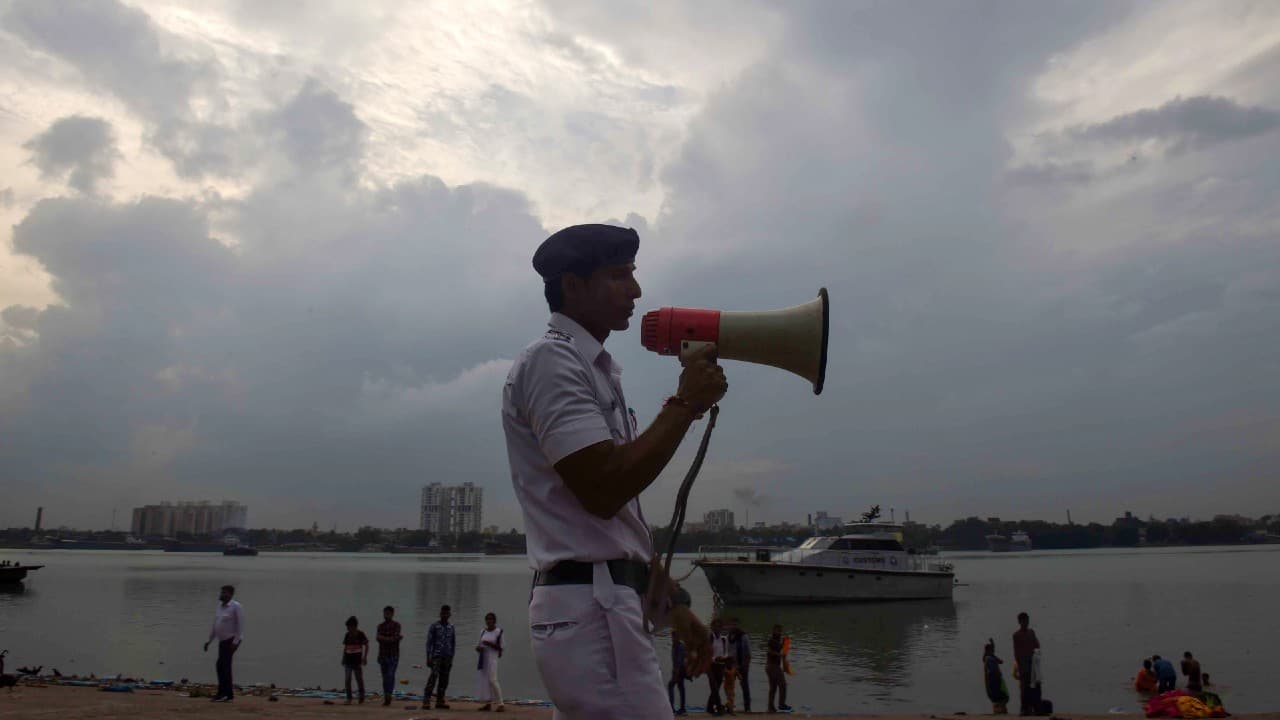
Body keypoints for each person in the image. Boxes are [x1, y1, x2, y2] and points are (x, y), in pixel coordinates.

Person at [501, 223, 728, 719]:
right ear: (573, 286)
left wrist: (672, 602)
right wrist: (686, 401)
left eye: (633, 274)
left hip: (600, 606)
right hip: (592, 611)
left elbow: (617, 522)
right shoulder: (551, 362)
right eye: (618, 276)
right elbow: (603, 489)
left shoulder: (594, 368)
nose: (636, 290)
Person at [203, 584, 243, 703]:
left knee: (224, 666)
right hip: (222, 641)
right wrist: (209, 641)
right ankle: (224, 693)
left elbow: (240, 626)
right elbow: (216, 625)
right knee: (220, 666)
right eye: (221, 592)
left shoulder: (236, 607)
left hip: (231, 641)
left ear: (231, 594)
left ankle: (226, 694)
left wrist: (235, 642)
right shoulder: (220, 607)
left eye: (224, 593)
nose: (222, 595)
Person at [424, 604, 456, 710]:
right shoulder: (434, 626)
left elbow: (453, 643)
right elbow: (429, 643)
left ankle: (440, 701)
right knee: (433, 677)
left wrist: (452, 657)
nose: (445, 615)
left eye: (447, 613)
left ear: (449, 614)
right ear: (440, 614)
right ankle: (426, 700)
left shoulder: (451, 627)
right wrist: (428, 657)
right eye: (443, 613)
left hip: (447, 657)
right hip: (436, 656)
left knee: (444, 680)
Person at [475, 612, 505, 712]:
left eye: (491, 619)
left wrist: (490, 644)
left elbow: (501, 647)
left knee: (493, 680)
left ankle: (501, 703)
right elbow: (478, 645)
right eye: (487, 619)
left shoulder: (499, 632)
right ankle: (488, 703)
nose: (489, 621)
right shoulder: (483, 631)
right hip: (483, 659)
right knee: (485, 681)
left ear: (494, 620)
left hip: (492, 659)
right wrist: (478, 648)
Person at [1012, 612, 1040, 715]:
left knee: (1036, 687)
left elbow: (1037, 645)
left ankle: (1037, 708)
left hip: (1033, 663)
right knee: (1025, 688)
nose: (1026, 622)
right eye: (1024, 621)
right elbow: (1016, 652)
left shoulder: (1031, 632)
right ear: (1019, 622)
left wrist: (1036, 659)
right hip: (1024, 665)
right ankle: (1024, 709)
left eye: (1027, 620)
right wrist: (1020, 666)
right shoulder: (1016, 635)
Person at [376, 606, 403, 706]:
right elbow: (379, 638)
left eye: (388, 613)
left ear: (392, 614)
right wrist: (393, 638)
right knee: (384, 677)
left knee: (390, 675)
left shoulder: (397, 625)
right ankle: (386, 695)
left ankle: (389, 696)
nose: (386, 615)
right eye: (385, 613)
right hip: (383, 655)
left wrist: (387, 638)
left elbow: (392, 638)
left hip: (393, 655)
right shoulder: (380, 626)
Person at [341, 616, 369, 705]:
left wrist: (364, 657)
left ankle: (361, 696)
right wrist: (343, 658)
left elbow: (367, 645)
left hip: (357, 661)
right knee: (347, 679)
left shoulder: (361, 634)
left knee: (359, 679)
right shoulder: (347, 635)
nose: (348, 629)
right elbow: (345, 647)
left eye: (349, 627)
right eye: (347, 627)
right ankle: (349, 698)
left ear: (354, 626)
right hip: (348, 661)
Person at [766, 624, 791, 713]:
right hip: (773, 666)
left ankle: (770, 707)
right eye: (777, 631)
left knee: (773, 688)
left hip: (771, 666)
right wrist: (779, 654)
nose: (779, 633)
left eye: (780, 631)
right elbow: (770, 651)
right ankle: (781, 704)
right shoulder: (771, 640)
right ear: (773, 631)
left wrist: (785, 642)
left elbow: (781, 649)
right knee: (783, 684)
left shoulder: (777, 641)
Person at [730, 620, 752, 714]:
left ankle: (747, 707)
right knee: (730, 687)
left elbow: (748, 653)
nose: (734, 626)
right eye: (732, 625)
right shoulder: (729, 637)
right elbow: (728, 651)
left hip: (742, 665)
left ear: (739, 626)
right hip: (731, 665)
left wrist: (745, 666)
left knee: (744, 686)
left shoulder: (744, 636)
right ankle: (730, 706)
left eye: (736, 625)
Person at [707, 619, 729, 716]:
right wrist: (715, 658)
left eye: (719, 626)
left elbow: (725, 652)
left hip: (720, 666)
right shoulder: (709, 638)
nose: (717, 628)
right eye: (715, 626)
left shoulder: (724, 639)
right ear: (712, 627)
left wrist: (724, 659)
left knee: (716, 687)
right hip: (710, 665)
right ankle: (719, 708)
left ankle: (709, 706)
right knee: (714, 687)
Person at [984, 639, 1010, 713]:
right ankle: (999, 710)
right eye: (991, 649)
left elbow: (1000, 661)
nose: (993, 651)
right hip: (995, 682)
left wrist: (993, 644)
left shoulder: (990, 657)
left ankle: (1000, 710)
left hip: (996, 681)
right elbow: (991, 671)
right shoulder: (989, 658)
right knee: (1004, 698)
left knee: (1001, 698)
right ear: (989, 650)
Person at [668, 637, 688, 716]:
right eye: (672, 636)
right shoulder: (675, 645)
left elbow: (679, 660)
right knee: (681, 687)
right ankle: (681, 708)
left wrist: (676, 672)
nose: (673, 638)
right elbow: (675, 659)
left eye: (674, 636)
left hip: (679, 671)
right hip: (677, 670)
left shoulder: (680, 646)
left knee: (671, 686)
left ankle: (674, 708)